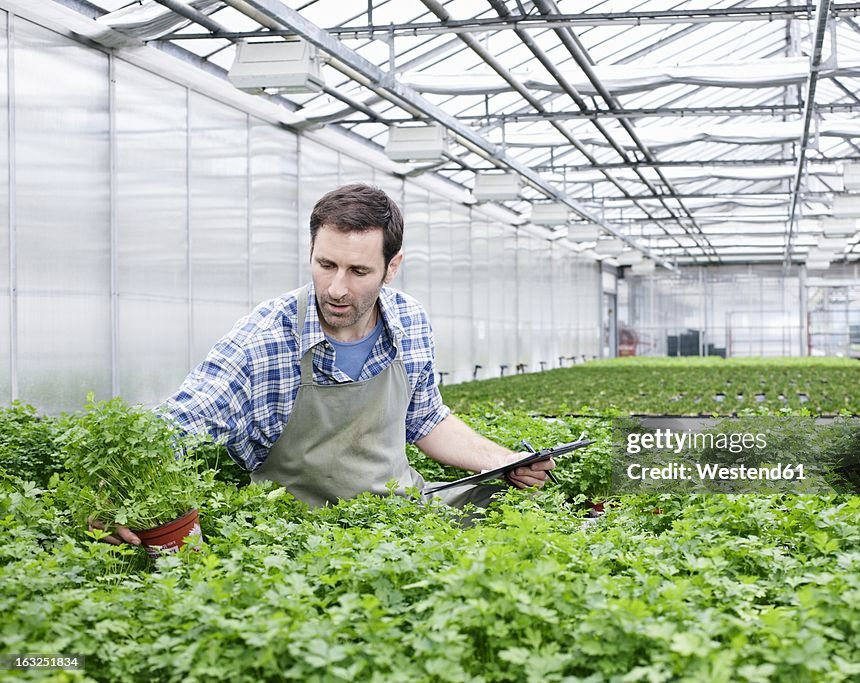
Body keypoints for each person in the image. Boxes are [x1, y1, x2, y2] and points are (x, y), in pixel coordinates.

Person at [100, 183, 551, 546]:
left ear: (391, 268)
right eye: (325, 264)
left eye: (358, 272)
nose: (336, 287)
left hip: (401, 518)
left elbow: (425, 418)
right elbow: (181, 423)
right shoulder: (266, 339)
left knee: (511, 515)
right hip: (297, 537)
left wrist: (505, 460)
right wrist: (116, 495)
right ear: (312, 251)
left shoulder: (409, 320)